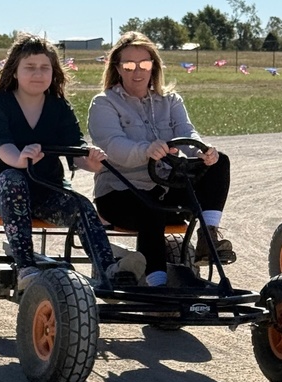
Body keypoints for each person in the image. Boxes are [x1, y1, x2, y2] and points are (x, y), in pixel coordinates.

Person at [0, 34, 145, 291]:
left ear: (54, 73)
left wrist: (93, 161)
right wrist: (20, 160)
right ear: (14, 72)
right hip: (2, 191)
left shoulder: (59, 107)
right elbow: (1, 146)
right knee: (14, 180)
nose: (38, 74)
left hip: (47, 191)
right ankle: (26, 268)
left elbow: (76, 149)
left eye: (45, 68)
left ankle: (109, 271)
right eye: (30, 67)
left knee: (81, 205)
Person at [87, 31, 235, 287]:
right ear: (117, 68)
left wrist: (202, 150)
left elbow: (186, 132)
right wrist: (146, 149)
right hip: (120, 195)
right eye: (129, 65)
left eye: (144, 64)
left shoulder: (171, 100)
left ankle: (207, 239)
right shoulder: (103, 103)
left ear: (153, 66)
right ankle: (156, 284)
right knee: (150, 204)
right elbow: (113, 146)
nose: (137, 71)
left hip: (167, 188)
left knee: (219, 161)